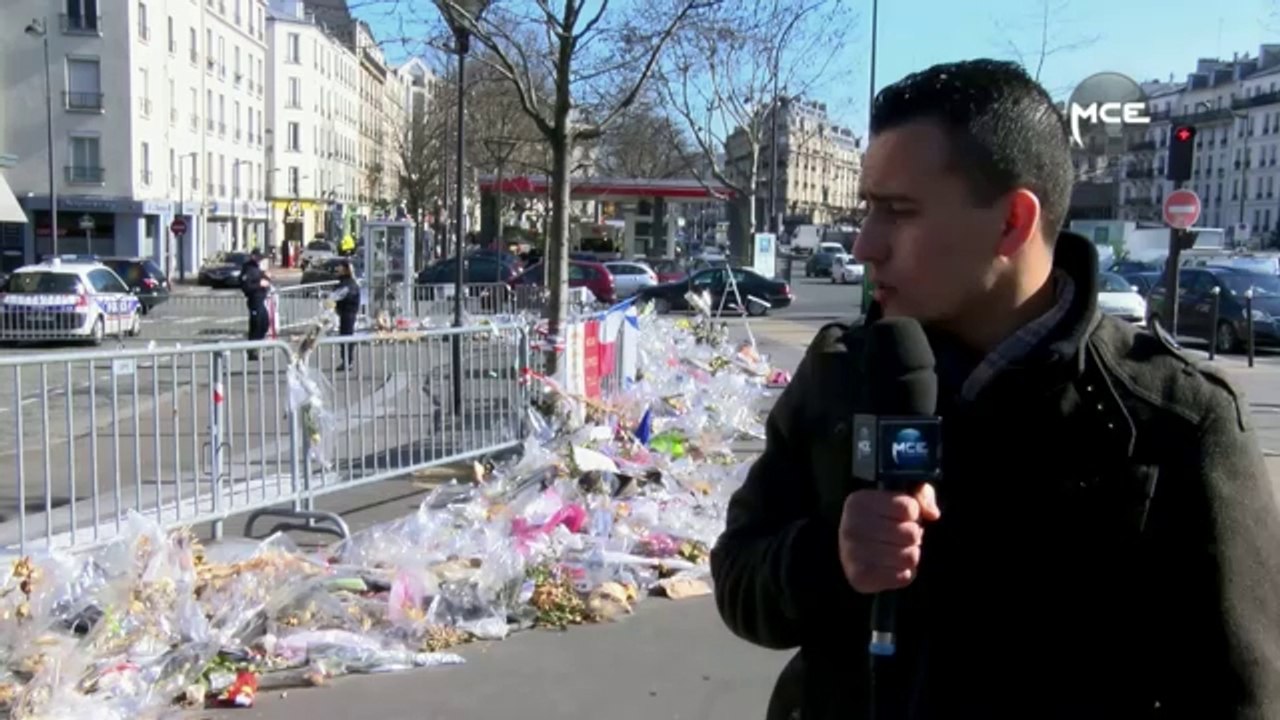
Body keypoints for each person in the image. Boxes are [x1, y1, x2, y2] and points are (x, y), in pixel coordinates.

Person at [710, 59, 1280, 719]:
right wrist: (826, 557)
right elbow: (738, 579)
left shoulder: (1171, 421)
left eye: (898, 212)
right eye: (868, 208)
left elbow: (1237, 696)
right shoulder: (843, 370)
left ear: (1012, 222)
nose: (865, 244)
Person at [240, 251, 272, 359]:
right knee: (256, 325)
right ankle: (252, 351)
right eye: (258, 257)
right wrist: (259, 284)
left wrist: (267, 277)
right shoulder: (248, 269)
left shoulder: (257, 268)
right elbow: (246, 286)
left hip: (261, 299)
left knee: (264, 323)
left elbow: (263, 279)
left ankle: (257, 347)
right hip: (254, 300)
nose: (260, 260)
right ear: (253, 257)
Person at [331, 259, 361, 371]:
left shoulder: (350, 283)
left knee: (347, 336)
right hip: (344, 312)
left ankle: (348, 361)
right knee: (344, 336)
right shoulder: (344, 281)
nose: (337, 269)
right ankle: (346, 361)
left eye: (339, 266)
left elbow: (342, 295)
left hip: (349, 313)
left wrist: (332, 299)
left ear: (345, 269)